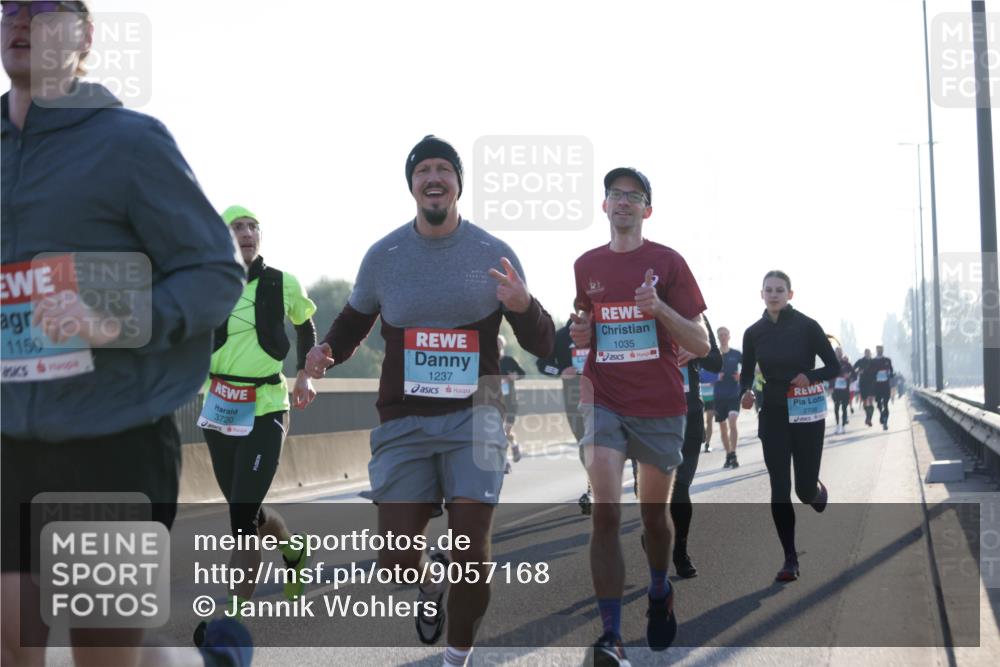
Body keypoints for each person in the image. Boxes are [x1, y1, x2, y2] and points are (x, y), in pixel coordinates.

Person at [1, 3, 248, 666]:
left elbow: (214, 272)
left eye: (44, 8)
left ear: (84, 37)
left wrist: (117, 319)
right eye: (10, 8)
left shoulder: (130, 142)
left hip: (112, 440)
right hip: (7, 443)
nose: (21, 21)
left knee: (103, 654)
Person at [305, 136, 554, 667]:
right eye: (424, 171)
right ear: (412, 185)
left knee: (473, 557)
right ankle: (428, 581)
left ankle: (455, 658)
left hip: (475, 419)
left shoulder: (492, 254)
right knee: (395, 560)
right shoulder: (385, 255)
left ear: (459, 183)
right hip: (405, 420)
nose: (434, 178)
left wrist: (525, 304)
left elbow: (541, 342)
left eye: (445, 169)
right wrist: (325, 351)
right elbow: (354, 319)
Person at [570, 167, 709, 663]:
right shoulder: (586, 264)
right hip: (604, 398)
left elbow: (700, 342)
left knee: (655, 518)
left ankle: (657, 589)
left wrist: (661, 312)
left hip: (659, 405)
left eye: (634, 196)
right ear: (604, 206)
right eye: (615, 195)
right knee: (605, 512)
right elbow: (585, 327)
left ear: (647, 210)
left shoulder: (668, 263)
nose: (623, 202)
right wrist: (582, 333)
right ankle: (610, 635)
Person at [196, 205, 318, 623]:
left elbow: (305, 325)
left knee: (241, 516)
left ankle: (230, 620)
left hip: (267, 406)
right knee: (244, 508)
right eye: (236, 227)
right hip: (219, 405)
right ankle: (291, 548)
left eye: (252, 227)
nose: (246, 233)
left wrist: (303, 375)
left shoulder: (282, 282)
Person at [738, 271, 839, 582]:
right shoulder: (753, 332)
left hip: (807, 412)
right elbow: (746, 371)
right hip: (774, 413)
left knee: (803, 490)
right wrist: (747, 391)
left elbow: (833, 366)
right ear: (761, 294)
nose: (773, 294)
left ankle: (814, 490)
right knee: (780, 487)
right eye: (768, 290)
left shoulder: (808, 326)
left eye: (779, 290)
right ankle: (790, 558)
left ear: (790, 294)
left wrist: (811, 376)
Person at [669, 315, 722, 578]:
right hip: (646, 417)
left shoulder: (694, 313)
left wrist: (697, 350)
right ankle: (654, 531)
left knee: (679, 487)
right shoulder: (633, 311)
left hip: (689, 414)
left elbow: (715, 360)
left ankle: (680, 551)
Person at [714, 327, 742, 468]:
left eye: (725, 334)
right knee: (723, 428)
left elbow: (749, 368)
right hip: (719, 397)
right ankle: (728, 454)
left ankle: (733, 453)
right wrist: (715, 376)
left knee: (732, 423)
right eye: (721, 335)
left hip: (733, 395)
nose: (723, 337)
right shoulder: (713, 355)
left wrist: (741, 377)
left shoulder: (736, 354)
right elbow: (701, 374)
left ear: (729, 336)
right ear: (718, 337)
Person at [497, 334, 525, 470]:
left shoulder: (509, 361)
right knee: (500, 431)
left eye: (499, 344)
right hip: (495, 402)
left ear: (503, 346)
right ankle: (505, 461)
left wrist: (514, 376)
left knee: (505, 431)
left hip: (511, 401)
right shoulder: (488, 361)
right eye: (494, 344)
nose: (497, 347)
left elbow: (522, 373)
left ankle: (513, 447)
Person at [871, 345, 894, 430]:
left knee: (886, 403)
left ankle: (885, 422)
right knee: (879, 404)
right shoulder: (873, 361)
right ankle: (881, 414)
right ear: (876, 350)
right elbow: (870, 372)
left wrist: (891, 375)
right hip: (877, 385)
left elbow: (891, 371)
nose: (879, 351)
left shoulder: (887, 360)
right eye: (878, 349)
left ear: (883, 350)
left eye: (881, 349)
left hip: (885, 385)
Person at [832, 353, 854, 434]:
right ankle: (837, 425)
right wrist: (831, 386)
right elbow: (828, 375)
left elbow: (854, 375)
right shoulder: (832, 363)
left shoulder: (847, 365)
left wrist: (849, 376)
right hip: (836, 390)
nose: (838, 354)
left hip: (845, 390)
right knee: (836, 408)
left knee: (844, 408)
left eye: (839, 352)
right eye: (837, 352)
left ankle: (843, 426)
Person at [854, 348, 876, 426]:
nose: (867, 354)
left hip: (872, 383)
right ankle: (868, 417)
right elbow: (853, 368)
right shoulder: (860, 361)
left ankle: (869, 419)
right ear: (864, 353)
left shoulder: (873, 361)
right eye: (866, 353)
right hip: (863, 383)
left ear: (870, 354)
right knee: (864, 402)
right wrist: (858, 372)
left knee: (871, 401)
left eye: (869, 353)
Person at [699, 367, 716, 452]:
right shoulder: (699, 367)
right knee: (700, 422)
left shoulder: (715, 367)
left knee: (709, 421)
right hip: (701, 398)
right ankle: (702, 437)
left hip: (711, 398)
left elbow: (719, 379)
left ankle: (707, 444)